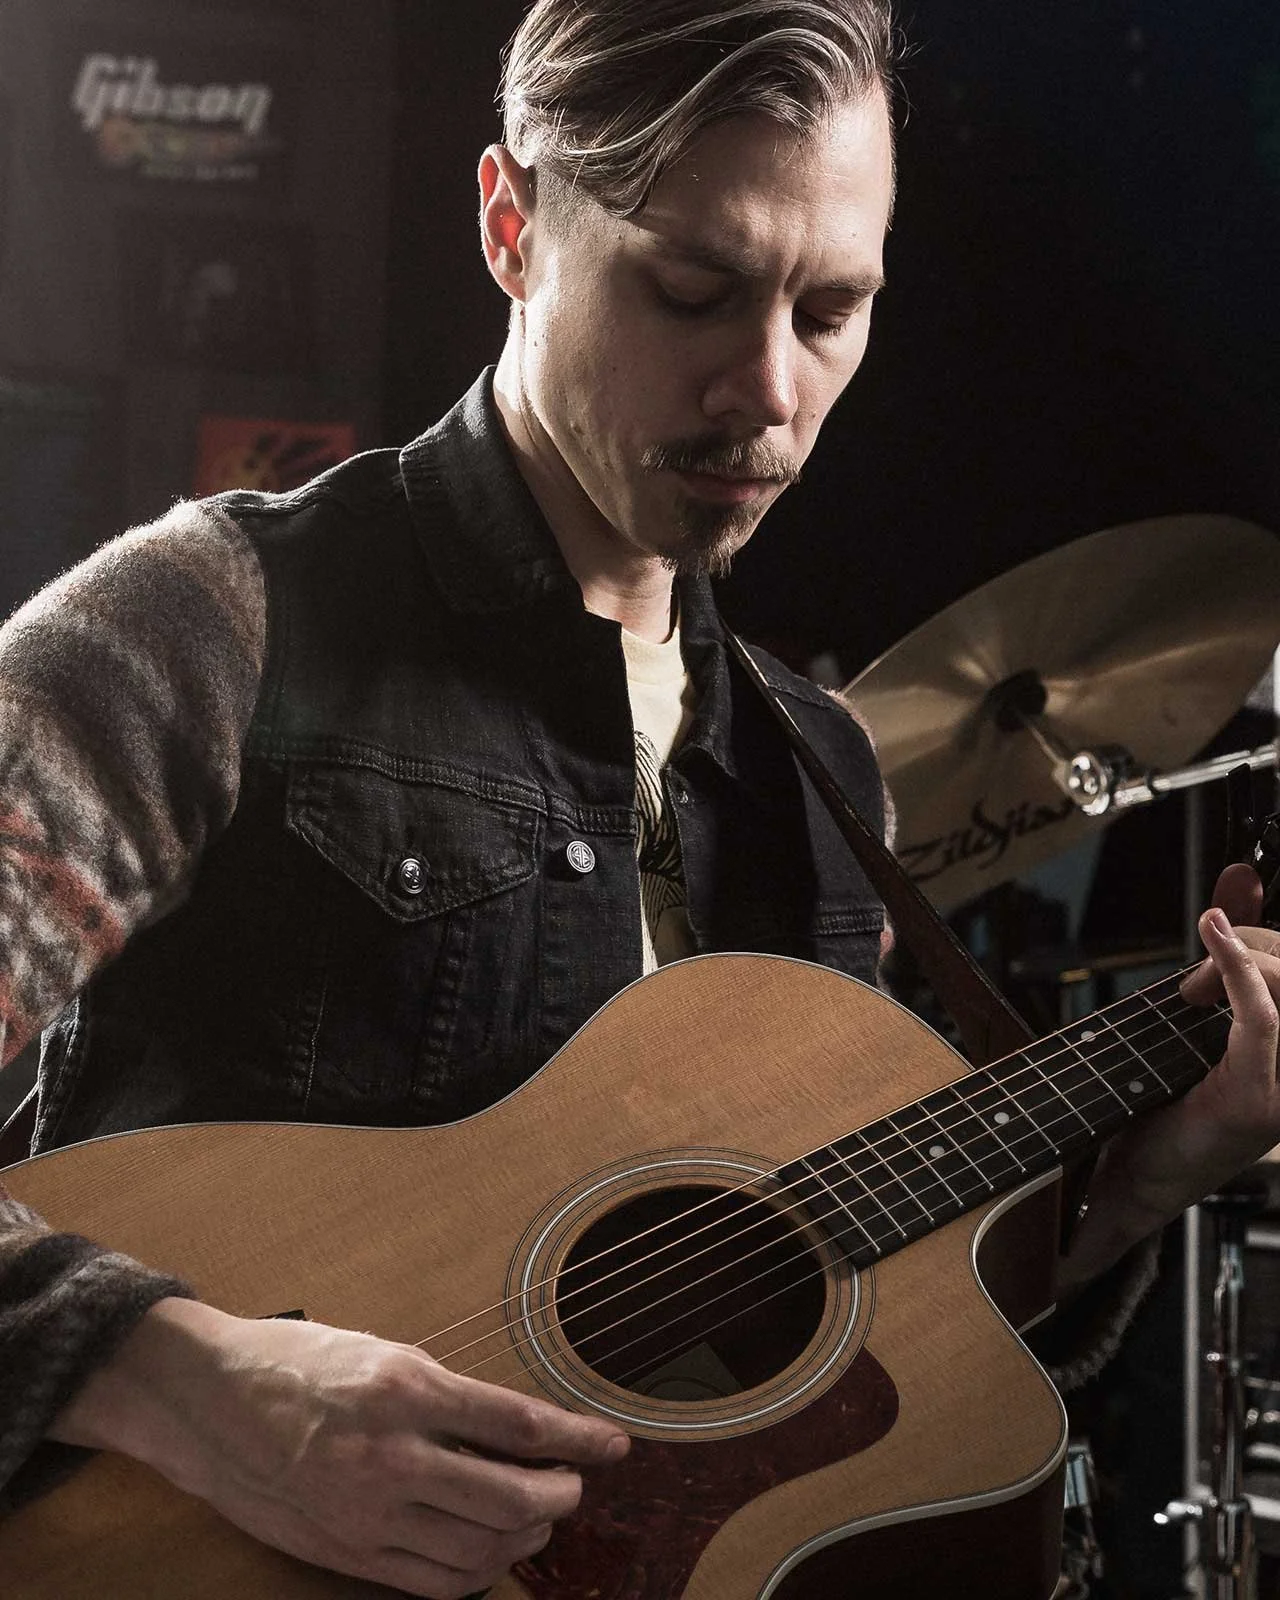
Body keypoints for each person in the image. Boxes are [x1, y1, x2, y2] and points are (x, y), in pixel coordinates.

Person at [0, 2, 1278, 1595]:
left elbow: (809, 1351)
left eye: (832, 310)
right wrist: (184, 1383)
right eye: (693, 291)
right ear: (512, 225)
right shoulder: (214, 625)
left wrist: (1150, 1170)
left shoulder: (821, 775)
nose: (768, 388)